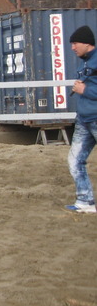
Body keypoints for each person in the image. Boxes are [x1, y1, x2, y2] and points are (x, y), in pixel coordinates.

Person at [66, 25, 97, 213]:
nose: (72, 47)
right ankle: (85, 200)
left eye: (75, 43)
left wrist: (84, 90)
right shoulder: (84, 62)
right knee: (74, 160)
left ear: (87, 43)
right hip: (84, 120)